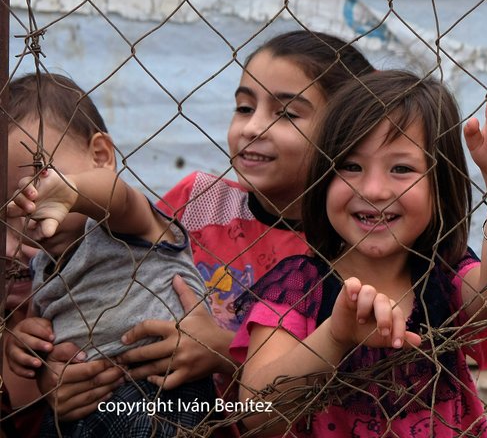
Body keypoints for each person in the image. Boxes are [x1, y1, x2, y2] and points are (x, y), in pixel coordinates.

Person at [5, 31, 374, 423]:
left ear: (343, 130)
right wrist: (51, 371)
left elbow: (343, 378)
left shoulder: (351, 247)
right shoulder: (197, 201)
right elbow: (112, 264)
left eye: (286, 114)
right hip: (132, 404)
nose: (252, 128)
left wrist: (223, 351)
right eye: (245, 108)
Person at [233, 71, 487, 437]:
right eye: (350, 166)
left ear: (439, 186)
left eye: (401, 168)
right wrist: (335, 337)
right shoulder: (299, 285)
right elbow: (256, 414)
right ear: (322, 178)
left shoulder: (443, 274)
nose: (375, 189)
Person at [3, 72, 216, 437]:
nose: (29, 205)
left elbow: (117, 195)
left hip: (158, 394)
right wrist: (25, 346)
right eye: (10, 202)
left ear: (100, 156)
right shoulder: (42, 265)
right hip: (77, 407)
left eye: (41, 176)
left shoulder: (121, 223)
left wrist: (72, 192)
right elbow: (39, 332)